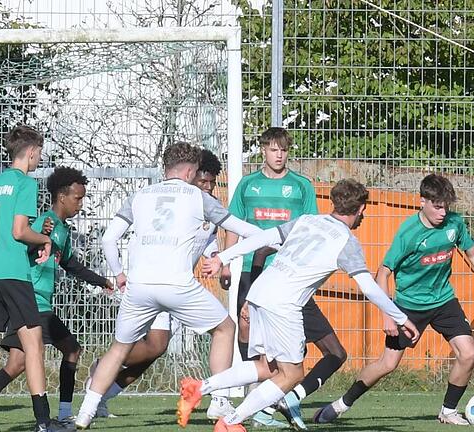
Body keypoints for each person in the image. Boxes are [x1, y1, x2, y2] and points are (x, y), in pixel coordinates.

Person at [177, 179, 420, 432]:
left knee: (268, 368)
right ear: (360, 209)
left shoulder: (307, 221)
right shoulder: (346, 241)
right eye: (364, 210)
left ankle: (200, 388)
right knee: (292, 374)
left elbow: (264, 238)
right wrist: (401, 318)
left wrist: (222, 258)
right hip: (284, 304)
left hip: (260, 292)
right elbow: (369, 287)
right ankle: (231, 421)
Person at [74, 142, 262, 429]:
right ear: (190, 171)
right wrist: (268, 240)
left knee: (120, 349)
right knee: (225, 328)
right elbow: (246, 232)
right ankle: (220, 399)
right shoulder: (199, 198)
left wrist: (118, 273)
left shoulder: (140, 195)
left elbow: (109, 239)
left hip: (139, 285)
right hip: (176, 284)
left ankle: (85, 412)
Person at [314, 174, 474, 426]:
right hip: (409, 306)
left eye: (446, 206)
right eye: (437, 206)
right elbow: (383, 272)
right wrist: (388, 314)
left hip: (444, 300)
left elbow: (470, 251)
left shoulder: (455, 224)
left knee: (468, 353)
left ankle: (448, 410)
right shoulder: (408, 233)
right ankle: (341, 403)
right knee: (387, 364)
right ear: (422, 201)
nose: (443, 212)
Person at [220, 127, 344, 428]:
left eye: (284, 150)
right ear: (263, 150)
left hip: (290, 277)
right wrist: (226, 263)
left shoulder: (301, 186)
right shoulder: (248, 185)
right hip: (255, 271)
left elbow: (310, 228)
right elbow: (233, 225)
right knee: (248, 334)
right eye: (274, 150)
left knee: (298, 344)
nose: (279, 155)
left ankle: (277, 398)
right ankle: (260, 399)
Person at [0, 166, 113, 427]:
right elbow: (23, 251)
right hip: (32, 299)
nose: (80, 204)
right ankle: (62, 414)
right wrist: (43, 235)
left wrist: (102, 281)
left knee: (17, 363)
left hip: (38, 302)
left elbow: (70, 264)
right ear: (62, 197)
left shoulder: (62, 229)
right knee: (70, 348)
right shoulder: (43, 223)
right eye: (77, 198)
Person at [0, 125, 65, 432]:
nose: (39, 158)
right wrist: (43, 241)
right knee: (33, 345)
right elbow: (19, 231)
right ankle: (44, 422)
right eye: (40, 153)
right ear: (32, 152)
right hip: (15, 275)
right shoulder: (24, 183)